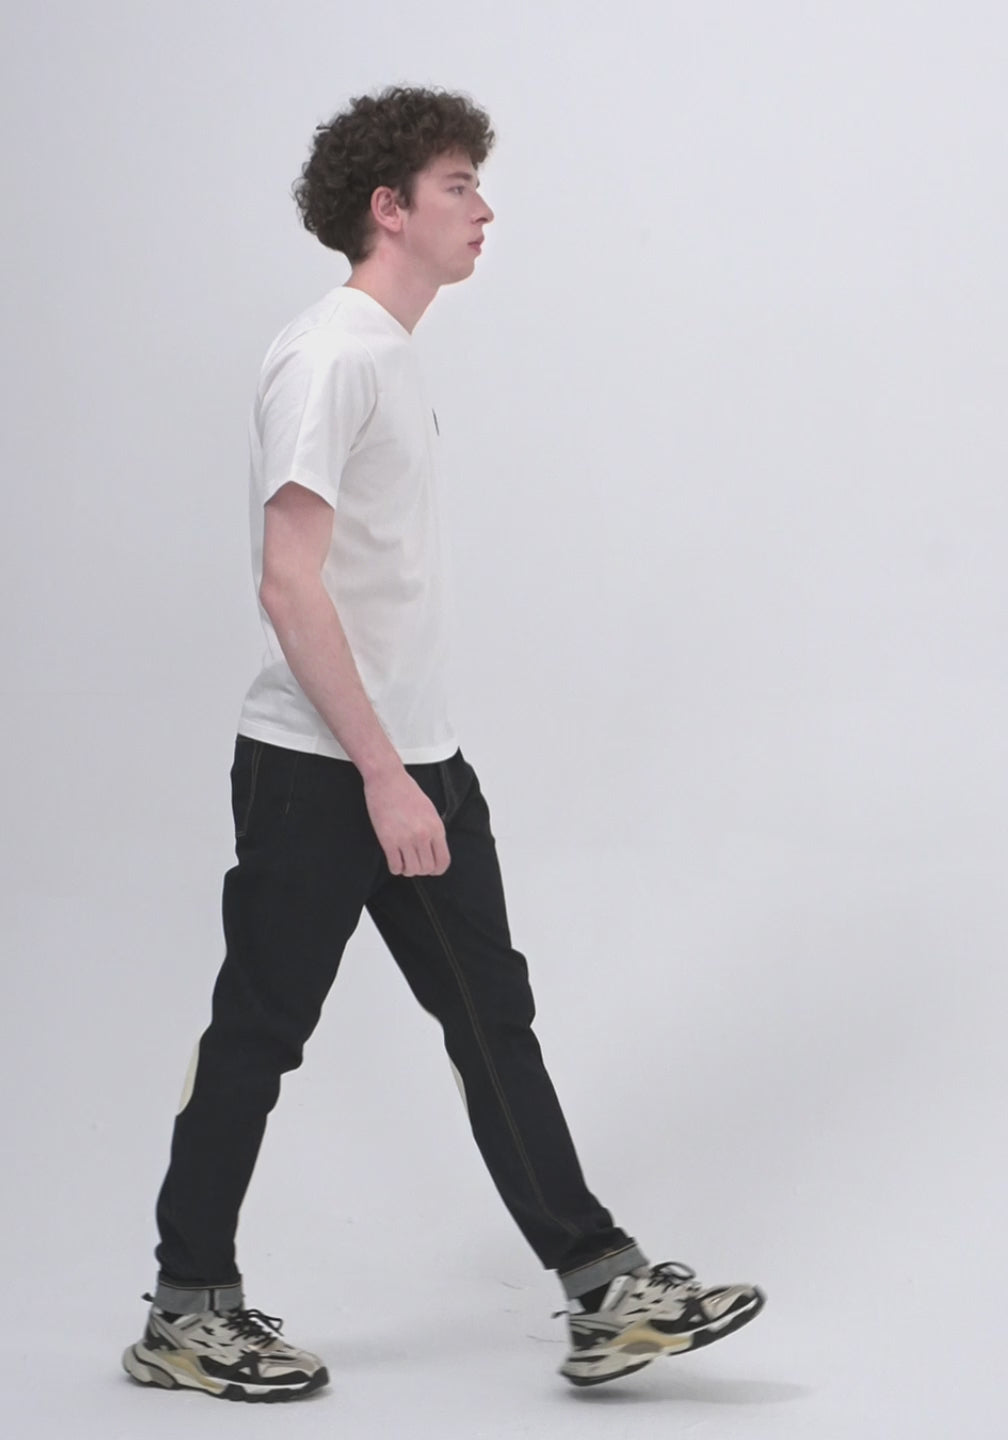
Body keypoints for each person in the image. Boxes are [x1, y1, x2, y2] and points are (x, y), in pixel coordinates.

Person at [120, 83, 765, 1404]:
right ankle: (187, 1311)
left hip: (417, 761)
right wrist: (379, 775)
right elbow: (288, 583)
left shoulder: (388, 356)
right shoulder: (330, 356)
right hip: (324, 770)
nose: (485, 209)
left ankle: (602, 1289)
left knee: (493, 1022)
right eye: (460, 184)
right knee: (260, 1033)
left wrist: (415, 770)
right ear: (390, 206)